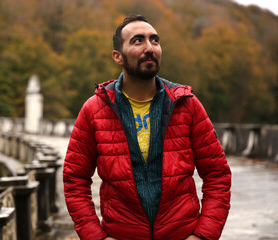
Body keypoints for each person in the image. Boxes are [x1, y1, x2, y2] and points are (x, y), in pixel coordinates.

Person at [63, 14, 231, 240]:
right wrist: (96, 237)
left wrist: (203, 236)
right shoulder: (94, 110)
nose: (150, 47)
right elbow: (74, 180)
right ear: (117, 57)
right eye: (137, 41)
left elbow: (217, 175)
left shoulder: (186, 104)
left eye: (155, 40)